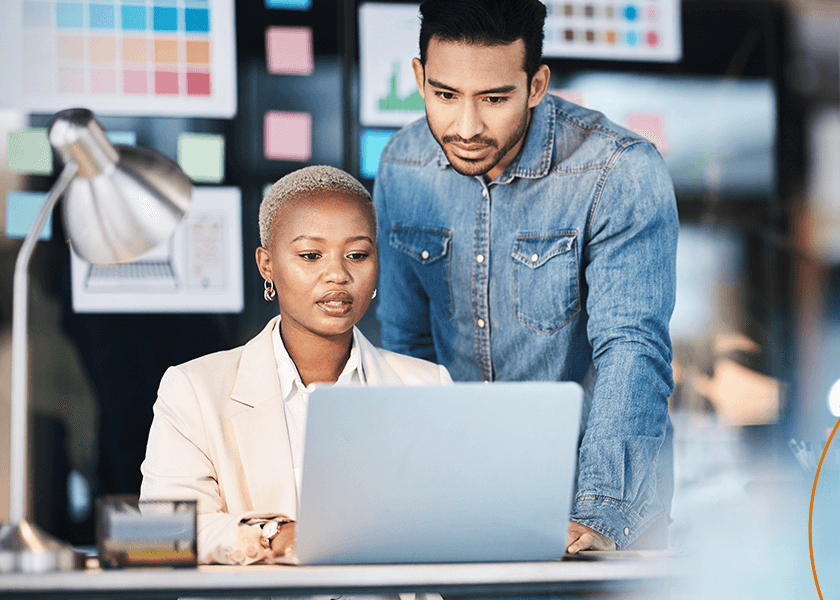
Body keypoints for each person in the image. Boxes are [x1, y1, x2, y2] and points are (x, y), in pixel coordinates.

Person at [375, 0, 678, 552]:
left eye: (494, 99)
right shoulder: (403, 165)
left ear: (536, 85)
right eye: (445, 95)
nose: (466, 126)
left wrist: (601, 514)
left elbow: (631, 351)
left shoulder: (619, 169)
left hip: (591, 509)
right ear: (419, 78)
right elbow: (405, 352)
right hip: (459, 510)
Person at [140, 166, 452, 564]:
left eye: (357, 255)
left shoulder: (425, 386)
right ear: (267, 265)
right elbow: (164, 528)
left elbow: (448, 522)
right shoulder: (194, 389)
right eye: (310, 255)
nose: (338, 274)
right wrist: (276, 535)